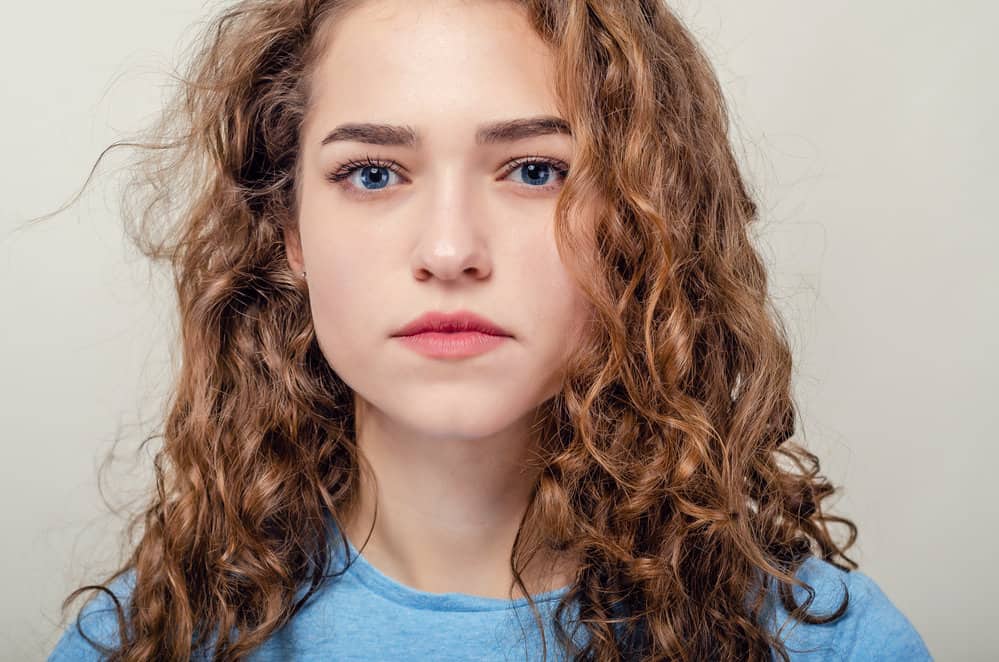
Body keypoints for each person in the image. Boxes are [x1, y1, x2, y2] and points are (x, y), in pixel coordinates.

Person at [47, 0, 932, 660]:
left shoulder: (828, 644)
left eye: (535, 169)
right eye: (371, 174)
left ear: (639, 220)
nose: (448, 250)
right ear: (288, 236)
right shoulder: (141, 642)